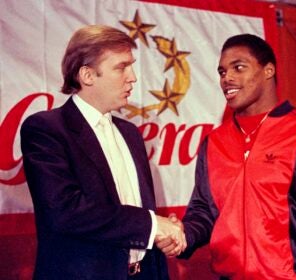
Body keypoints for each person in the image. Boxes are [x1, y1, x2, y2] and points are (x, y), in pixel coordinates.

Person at [157, 34, 296, 279]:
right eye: (222, 72)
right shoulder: (214, 142)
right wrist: (184, 236)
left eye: (238, 67)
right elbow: (204, 212)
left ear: (268, 70)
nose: (227, 78)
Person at [20, 25, 186, 280]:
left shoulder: (130, 133)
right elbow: (66, 211)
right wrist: (152, 225)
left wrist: (161, 235)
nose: (133, 77)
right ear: (87, 75)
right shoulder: (45, 129)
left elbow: (136, 211)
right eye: (121, 67)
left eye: (131, 66)